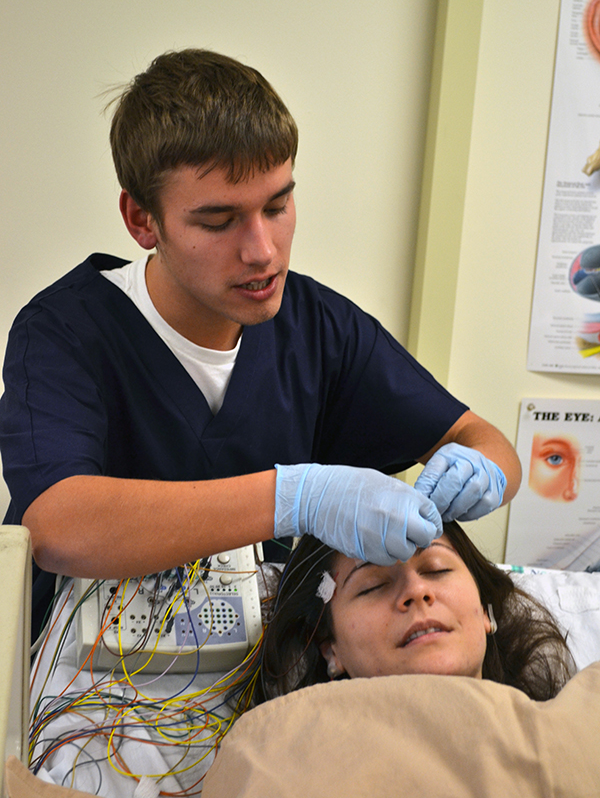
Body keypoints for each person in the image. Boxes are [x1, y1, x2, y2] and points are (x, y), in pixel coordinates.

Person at [0, 49, 521, 640]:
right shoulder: (67, 330)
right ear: (143, 220)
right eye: (219, 222)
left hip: (258, 686)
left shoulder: (317, 328)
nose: (262, 251)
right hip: (74, 687)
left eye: (278, 206)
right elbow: (59, 526)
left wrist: (482, 468)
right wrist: (297, 497)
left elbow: (485, 441)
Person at [257, 521, 573, 703]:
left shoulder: (576, 729)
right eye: (372, 586)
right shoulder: (277, 760)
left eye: (437, 569)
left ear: (487, 612)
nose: (415, 590)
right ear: (330, 650)